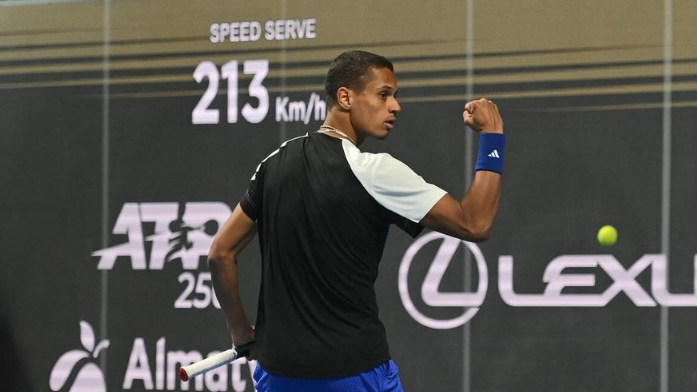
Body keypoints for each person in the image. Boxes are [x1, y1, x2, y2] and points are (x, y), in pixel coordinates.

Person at [208, 50, 505, 392]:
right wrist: (492, 136)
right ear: (345, 97)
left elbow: (220, 253)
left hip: (278, 375)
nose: (395, 106)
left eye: (395, 96)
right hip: (353, 373)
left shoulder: (272, 164)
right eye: (384, 94)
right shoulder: (374, 171)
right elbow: (475, 222)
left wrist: (241, 331)